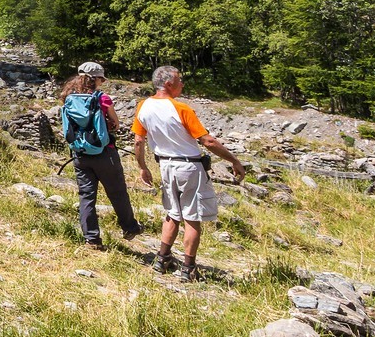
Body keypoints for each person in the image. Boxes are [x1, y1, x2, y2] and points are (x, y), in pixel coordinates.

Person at [132, 65, 245, 282]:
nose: (182, 84)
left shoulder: (142, 106)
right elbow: (208, 141)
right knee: (192, 217)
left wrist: (142, 167)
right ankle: (188, 268)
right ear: (168, 83)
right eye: (179, 80)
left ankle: (162, 258)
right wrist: (234, 161)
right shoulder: (181, 108)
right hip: (189, 166)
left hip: (165, 166)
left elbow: (139, 141)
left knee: (172, 212)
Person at [60, 60, 143, 249]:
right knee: (117, 192)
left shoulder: (68, 97)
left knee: (86, 196)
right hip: (105, 153)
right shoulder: (102, 98)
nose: (102, 82)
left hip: (80, 153)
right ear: (95, 79)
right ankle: (130, 227)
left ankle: (92, 239)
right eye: (101, 79)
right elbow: (116, 124)